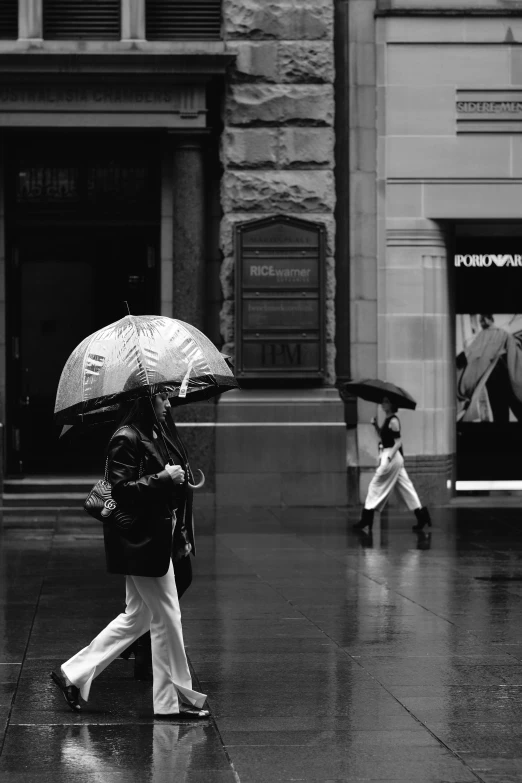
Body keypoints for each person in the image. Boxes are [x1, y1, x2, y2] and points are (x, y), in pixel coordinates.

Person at [50, 389, 209, 719]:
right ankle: (174, 700)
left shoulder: (156, 433)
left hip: (154, 539)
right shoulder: (125, 437)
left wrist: (177, 487)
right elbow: (120, 492)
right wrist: (163, 478)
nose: (168, 404)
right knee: (167, 617)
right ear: (145, 402)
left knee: (136, 618)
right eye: (162, 398)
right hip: (141, 542)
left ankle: (72, 674)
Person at [352, 396, 431, 533]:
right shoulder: (387, 420)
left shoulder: (394, 421)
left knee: (374, 486)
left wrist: (389, 457)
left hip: (391, 457)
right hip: (391, 457)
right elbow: (384, 437)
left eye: (386, 401)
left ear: (392, 405)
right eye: (383, 401)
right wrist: (375, 425)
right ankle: (422, 516)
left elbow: (398, 442)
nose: (383, 403)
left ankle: (366, 519)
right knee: (407, 488)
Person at [457, 314, 522, 423]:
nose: (481, 323)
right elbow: (515, 350)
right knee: (517, 407)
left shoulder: (484, 334)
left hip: (493, 379)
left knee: (500, 414)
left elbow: (470, 352)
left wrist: (459, 360)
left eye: (482, 320)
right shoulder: (504, 333)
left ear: (488, 320)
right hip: (507, 376)